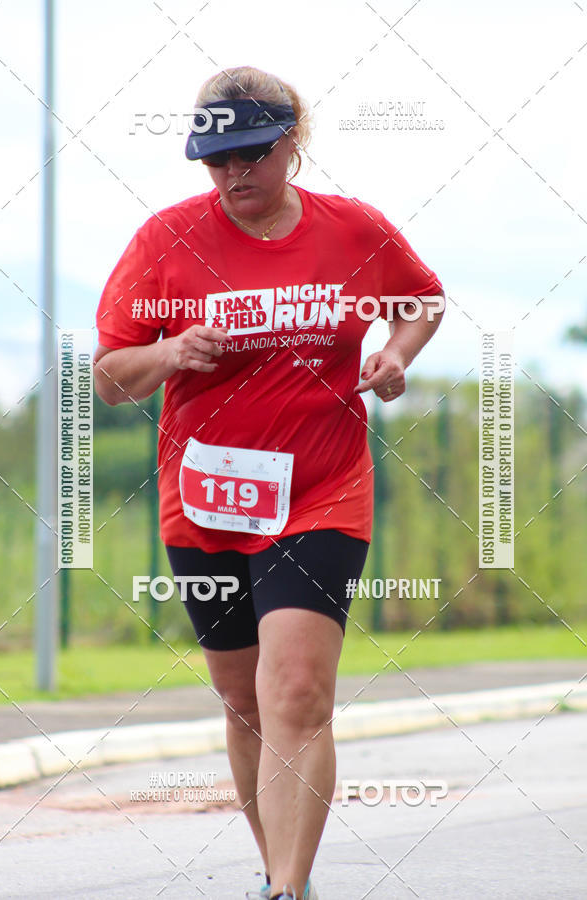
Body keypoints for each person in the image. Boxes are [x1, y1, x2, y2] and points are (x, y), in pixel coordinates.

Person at [94, 65, 444, 900]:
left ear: (294, 144)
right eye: (215, 161)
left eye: (251, 155)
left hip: (321, 488)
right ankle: (274, 866)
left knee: (294, 689)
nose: (232, 176)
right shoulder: (164, 241)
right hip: (207, 501)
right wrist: (170, 354)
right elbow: (110, 376)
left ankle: (288, 888)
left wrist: (395, 355)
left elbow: (422, 300)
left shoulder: (353, 230)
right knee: (243, 700)